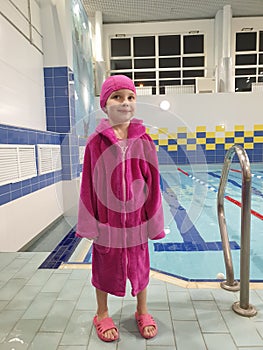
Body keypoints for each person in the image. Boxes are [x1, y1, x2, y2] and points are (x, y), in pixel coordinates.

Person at [76, 75, 165, 342]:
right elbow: (87, 185)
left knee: (140, 265)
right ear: (105, 104)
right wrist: (91, 223)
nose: (125, 103)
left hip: (137, 220)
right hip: (107, 221)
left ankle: (142, 310)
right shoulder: (96, 143)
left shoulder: (144, 141)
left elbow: (153, 183)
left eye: (130, 97)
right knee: (103, 266)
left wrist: (153, 222)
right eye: (117, 97)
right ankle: (102, 313)